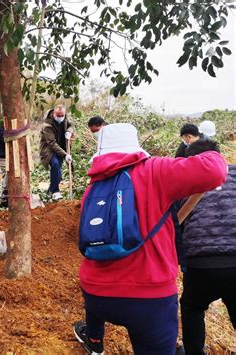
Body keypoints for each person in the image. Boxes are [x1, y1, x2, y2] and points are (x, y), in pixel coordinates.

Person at [73, 123, 227, 355]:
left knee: (97, 311)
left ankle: (95, 341)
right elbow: (215, 171)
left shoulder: (94, 185)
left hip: (96, 293)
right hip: (148, 297)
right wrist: (209, 148)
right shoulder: (154, 170)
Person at [179, 141, 235, 355]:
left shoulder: (184, 184)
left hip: (200, 264)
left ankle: (193, 351)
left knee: (192, 306)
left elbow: (176, 224)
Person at [39, 104, 74, 200]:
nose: (60, 117)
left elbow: (71, 125)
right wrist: (65, 154)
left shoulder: (65, 118)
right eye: (58, 115)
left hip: (60, 148)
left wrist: (69, 132)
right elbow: (52, 143)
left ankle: (49, 191)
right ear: (54, 114)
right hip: (48, 150)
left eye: (62, 115)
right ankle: (55, 191)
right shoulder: (47, 125)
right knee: (55, 165)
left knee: (58, 174)